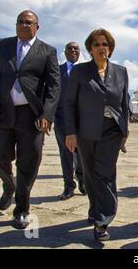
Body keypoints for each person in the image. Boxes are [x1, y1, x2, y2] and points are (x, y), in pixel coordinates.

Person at [0, 10, 60, 229]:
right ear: (16, 25)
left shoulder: (47, 51)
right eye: (20, 22)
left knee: (28, 164)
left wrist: (47, 114)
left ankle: (22, 210)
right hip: (2, 113)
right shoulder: (1, 46)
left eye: (28, 22)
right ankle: (9, 184)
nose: (24, 25)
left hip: (31, 117)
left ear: (37, 26)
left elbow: (54, 87)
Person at [65, 28, 129, 241]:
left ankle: (103, 220)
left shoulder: (121, 72)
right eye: (97, 44)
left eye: (105, 44)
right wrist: (71, 133)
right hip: (86, 131)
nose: (102, 48)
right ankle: (95, 209)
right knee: (90, 174)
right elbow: (70, 103)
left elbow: (124, 104)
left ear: (110, 48)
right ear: (90, 49)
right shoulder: (80, 72)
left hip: (112, 131)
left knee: (105, 173)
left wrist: (125, 130)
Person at [54, 42, 85, 200]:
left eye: (76, 48)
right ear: (64, 52)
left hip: (83, 121)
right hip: (61, 120)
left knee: (82, 154)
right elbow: (51, 93)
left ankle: (82, 178)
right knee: (66, 155)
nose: (73, 51)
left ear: (80, 52)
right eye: (70, 48)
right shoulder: (57, 71)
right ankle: (68, 186)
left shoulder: (86, 70)